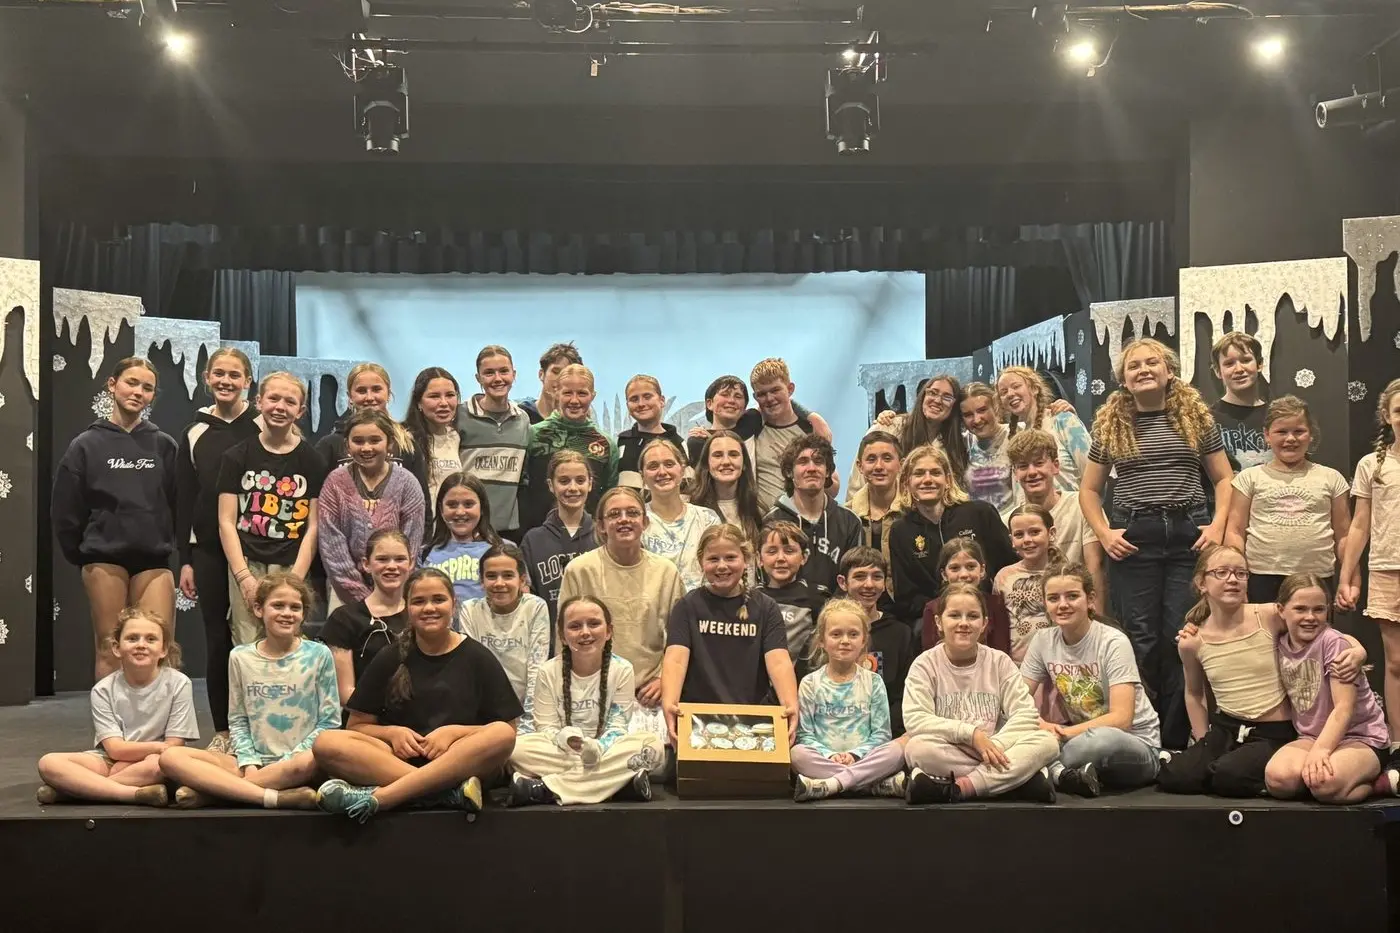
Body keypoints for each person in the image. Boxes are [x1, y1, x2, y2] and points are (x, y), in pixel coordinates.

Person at [1079, 337, 1232, 750]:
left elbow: (1224, 478)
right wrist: (1105, 532)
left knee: (1180, 638)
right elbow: (1089, 491)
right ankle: (1144, 739)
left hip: (1188, 536)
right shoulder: (1112, 425)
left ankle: (1178, 741)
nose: (1144, 369)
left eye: (1152, 363)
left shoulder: (1195, 420)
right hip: (1134, 538)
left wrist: (1217, 525)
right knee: (1140, 639)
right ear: (1123, 379)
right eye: (1134, 366)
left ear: (1168, 371)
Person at [312, 568, 520, 822]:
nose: (429, 608)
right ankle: (444, 794)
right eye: (419, 601)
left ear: (453, 604)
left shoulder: (478, 657)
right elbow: (357, 726)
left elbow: (507, 729)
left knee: (501, 734)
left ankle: (384, 798)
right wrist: (391, 733)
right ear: (407, 608)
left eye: (438, 600)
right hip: (398, 762)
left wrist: (454, 733)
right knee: (326, 743)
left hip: (459, 764)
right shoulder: (390, 656)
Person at [1161, 544, 1365, 796]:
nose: (1232, 579)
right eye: (1222, 572)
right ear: (1202, 583)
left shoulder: (1268, 615)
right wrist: (1203, 739)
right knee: (1176, 777)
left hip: (1271, 731)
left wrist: (1358, 650)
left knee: (1228, 777)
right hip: (1227, 727)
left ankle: (1257, 775)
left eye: (1241, 573)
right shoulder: (1192, 640)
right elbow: (1194, 694)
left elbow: (1326, 632)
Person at [159, 574, 336, 809]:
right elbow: (238, 718)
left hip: (297, 762)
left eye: (295, 607)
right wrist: (249, 760)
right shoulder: (240, 657)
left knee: (309, 761)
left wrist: (286, 761)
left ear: (303, 613)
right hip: (250, 763)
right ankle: (271, 796)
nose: (287, 613)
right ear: (259, 609)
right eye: (277, 605)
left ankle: (220, 791)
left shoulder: (319, 655)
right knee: (170, 758)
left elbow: (329, 722)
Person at [54, 356, 179, 681]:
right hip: (104, 559)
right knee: (111, 648)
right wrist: (84, 555)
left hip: (153, 560)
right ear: (112, 385)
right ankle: (110, 732)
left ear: (153, 396)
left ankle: (156, 731)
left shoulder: (164, 446)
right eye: (131, 383)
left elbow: (178, 505)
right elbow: (66, 510)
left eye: (147, 387)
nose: (138, 392)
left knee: (158, 647)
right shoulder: (85, 445)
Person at [175, 347, 261, 753]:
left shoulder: (265, 426)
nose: (227, 381)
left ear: (248, 380)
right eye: (219, 374)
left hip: (261, 549)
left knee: (258, 637)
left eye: (235, 375)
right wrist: (186, 560)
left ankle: (262, 724)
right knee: (216, 639)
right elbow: (184, 498)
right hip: (208, 549)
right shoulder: (193, 432)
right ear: (207, 378)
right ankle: (224, 730)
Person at [903, 583, 1059, 804]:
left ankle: (961, 788)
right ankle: (1014, 783)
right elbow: (916, 719)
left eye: (973, 616)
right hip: (952, 748)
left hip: (997, 746)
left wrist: (994, 746)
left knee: (1047, 741)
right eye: (954, 615)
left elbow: (1026, 714)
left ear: (985, 623)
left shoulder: (999, 661)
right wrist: (972, 735)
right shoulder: (924, 664)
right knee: (917, 750)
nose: (964, 623)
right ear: (938, 622)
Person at [505, 596, 665, 806]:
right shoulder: (548, 671)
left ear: (608, 631)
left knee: (652, 746)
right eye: (574, 626)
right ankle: (616, 785)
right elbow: (546, 727)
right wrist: (566, 739)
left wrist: (597, 747)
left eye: (594, 624)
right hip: (563, 752)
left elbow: (617, 726)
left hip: (606, 749)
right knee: (514, 748)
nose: (585, 632)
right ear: (562, 635)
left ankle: (544, 789)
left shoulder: (622, 669)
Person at [1021, 563, 1162, 796]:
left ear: (1090, 599)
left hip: (1133, 744)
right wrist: (1040, 725)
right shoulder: (1042, 640)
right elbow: (1015, 697)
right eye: (1053, 598)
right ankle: (1064, 773)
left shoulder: (1113, 641)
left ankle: (1048, 770)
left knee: (1099, 741)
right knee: (1006, 721)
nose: (1063, 605)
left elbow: (1122, 719)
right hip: (1076, 740)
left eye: (1072, 596)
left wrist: (1061, 734)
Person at [36, 607, 197, 806]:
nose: (141, 645)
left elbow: (173, 747)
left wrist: (146, 754)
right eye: (132, 638)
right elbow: (115, 750)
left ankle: (75, 791)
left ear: (163, 649)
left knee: (162, 764)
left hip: (155, 760)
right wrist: (131, 758)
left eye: (150, 639)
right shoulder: (103, 690)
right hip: (112, 761)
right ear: (116, 647)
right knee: (49, 763)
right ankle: (131, 793)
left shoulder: (179, 684)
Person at [660, 524, 799, 743]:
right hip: (697, 721)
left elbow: (779, 662)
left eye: (730, 557)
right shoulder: (687, 606)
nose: (722, 566)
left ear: (746, 560)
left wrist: (791, 704)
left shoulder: (765, 608)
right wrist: (669, 702)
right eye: (713, 559)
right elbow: (675, 660)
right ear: (701, 562)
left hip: (753, 720)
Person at [217, 370, 323, 651]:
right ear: (259, 402)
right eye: (273, 398)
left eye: (289, 402)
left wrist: (295, 578)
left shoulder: (312, 460)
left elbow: (314, 525)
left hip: (290, 563)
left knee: (287, 643)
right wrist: (243, 577)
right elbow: (226, 521)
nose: (280, 407)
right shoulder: (236, 456)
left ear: (300, 411)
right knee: (247, 642)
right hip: (247, 562)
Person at [1265, 574, 1389, 804]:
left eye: (1318, 610)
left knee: (1325, 785)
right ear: (1281, 610)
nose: (1310, 617)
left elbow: (1344, 708)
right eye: (1300, 609)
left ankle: (1379, 783)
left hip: (1359, 737)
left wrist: (1321, 751)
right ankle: (1328, 779)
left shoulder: (1334, 643)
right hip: (1312, 736)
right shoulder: (1279, 642)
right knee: (1278, 779)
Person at [559, 486, 685, 712]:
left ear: (645, 522)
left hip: (650, 693)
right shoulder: (579, 570)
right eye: (614, 514)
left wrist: (664, 678)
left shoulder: (666, 572)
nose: (623, 520)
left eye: (633, 513)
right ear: (600, 525)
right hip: (590, 691)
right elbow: (564, 639)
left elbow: (680, 639)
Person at [1225, 395, 1350, 604]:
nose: (1290, 439)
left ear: (1311, 435)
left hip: (1316, 578)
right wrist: (1238, 580)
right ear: (1267, 435)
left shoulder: (1331, 478)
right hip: (1261, 576)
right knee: (1264, 635)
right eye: (1281, 432)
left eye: (1299, 431)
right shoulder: (1249, 478)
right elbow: (1234, 531)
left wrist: (1349, 581)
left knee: (1313, 635)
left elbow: (1345, 536)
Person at [791, 598, 908, 801]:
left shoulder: (874, 682)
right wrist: (829, 755)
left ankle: (832, 784)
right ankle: (872, 785)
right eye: (836, 634)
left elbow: (881, 734)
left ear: (863, 640)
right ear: (821, 640)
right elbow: (805, 735)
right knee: (797, 754)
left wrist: (856, 755)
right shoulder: (810, 683)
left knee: (896, 751)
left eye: (853, 634)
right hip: (825, 759)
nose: (845, 640)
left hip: (864, 758)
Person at [888, 443, 1016, 624]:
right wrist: (945, 609)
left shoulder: (980, 513)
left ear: (948, 480)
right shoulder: (901, 531)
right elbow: (906, 598)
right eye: (919, 474)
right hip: (935, 617)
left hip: (986, 612)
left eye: (935, 472)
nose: (927, 480)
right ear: (907, 482)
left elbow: (1009, 566)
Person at [1339, 377, 1400, 743]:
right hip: (1386, 569)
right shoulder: (1372, 465)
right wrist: (1347, 576)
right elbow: (1360, 526)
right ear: (1388, 416)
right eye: (1399, 411)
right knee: (1395, 663)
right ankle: (1397, 742)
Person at [318, 408, 426, 611]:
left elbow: (412, 545)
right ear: (347, 445)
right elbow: (331, 545)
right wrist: (363, 599)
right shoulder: (335, 483)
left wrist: (389, 592)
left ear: (390, 443)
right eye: (358, 441)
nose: (366, 448)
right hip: (343, 593)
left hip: (397, 591)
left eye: (375, 440)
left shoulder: (407, 484)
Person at [1004, 429, 1106, 613]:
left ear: (1055, 466)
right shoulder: (1008, 521)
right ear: (1015, 473)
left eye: (1039, 463)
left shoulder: (1082, 506)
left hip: (1076, 611)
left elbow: (1095, 567)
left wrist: (1096, 619)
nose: (1032, 472)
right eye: (1023, 466)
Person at [454, 543, 550, 732]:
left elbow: (536, 668)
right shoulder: (470, 610)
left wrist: (526, 725)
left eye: (508, 575)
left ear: (522, 580)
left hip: (527, 713)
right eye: (491, 576)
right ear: (481, 580)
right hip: (484, 716)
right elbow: (471, 669)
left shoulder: (535, 607)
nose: (499, 583)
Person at [762, 434, 863, 599]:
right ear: (789, 472)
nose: (811, 468)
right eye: (802, 462)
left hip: (837, 617)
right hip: (789, 614)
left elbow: (854, 580)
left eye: (818, 461)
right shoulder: (772, 521)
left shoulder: (850, 522)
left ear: (828, 471)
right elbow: (769, 582)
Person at [521, 363, 619, 530]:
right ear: (556, 393)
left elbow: (610, 497)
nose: (574, 400)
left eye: (582, 393)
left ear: (593, 396)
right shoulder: (533, 435)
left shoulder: (605, 443)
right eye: (567, 393)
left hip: (589, 539)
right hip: (537, 536)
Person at [321, 529, 412, 706]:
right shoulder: (343, 619)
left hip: (417, 718)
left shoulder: (421, 615)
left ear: (411, 563)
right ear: (366, 564)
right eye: (382, 559)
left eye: (400, 559)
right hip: (365, 720)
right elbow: (345, 694)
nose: (392, 566)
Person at [314, 362, 427, 490]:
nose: (369, 397)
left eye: (376, 389)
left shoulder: (406, 444)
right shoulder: (330, 445)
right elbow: (317, 496)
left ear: (388, 394)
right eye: (361, 391)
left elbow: (422, 500)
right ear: (350, 397)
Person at [837, 547, 914, 736]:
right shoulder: (829, 631)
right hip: (833, 728)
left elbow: (905, 695)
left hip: (885, 734)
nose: (869, 585)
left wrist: (882, 731)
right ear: (843, 582)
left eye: (877, 577)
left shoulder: (901, 633)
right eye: (860, 576)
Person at [458, 345, 531, 540]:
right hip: (467, 528)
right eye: (489, 373)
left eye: (504, 371)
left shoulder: (522, 420)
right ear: (478, 378)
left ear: (514, 375)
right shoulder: (459, 416)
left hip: (507, 531)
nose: (498, 379)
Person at [521, 450, 597, 628]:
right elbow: (527, 602)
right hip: (548, 637)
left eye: (580, 480)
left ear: (590, 483)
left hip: (595, 637)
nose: (572, 488)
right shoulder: (533, 540)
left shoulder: (602, 536)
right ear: (551, 485)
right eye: (564, 481)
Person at [683, 374, 826, 468]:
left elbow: (780, 400)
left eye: (738, 396)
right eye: (725, 395)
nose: (731, 401)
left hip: (750, 510)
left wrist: (812, 417)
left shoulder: (752, 421)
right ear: (709, 403)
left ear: (745, 407)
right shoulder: (698, 441)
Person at [749, 358, 836, 511]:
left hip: (804, 525)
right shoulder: (751, 429)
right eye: (762, 394)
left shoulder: (811, 431)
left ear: (790, 389)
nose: (769, 398)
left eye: (775, 390)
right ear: (755, 397)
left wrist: (808, 471)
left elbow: (834, 488)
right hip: (763, 527)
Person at [640, 437, 721, 591]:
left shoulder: (707, 519)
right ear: (642, 475)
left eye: (669, 464)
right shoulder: (635, 522)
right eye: (653, 466)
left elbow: (718, 570)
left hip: (701, 609)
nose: (662, 472)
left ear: (682, 469)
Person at [996, 366, 1091, 490]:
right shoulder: (1016, 436)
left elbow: (1094, 478)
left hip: (1072, 507)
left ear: (1034, 388)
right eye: (1003, 392)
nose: (1010, 394)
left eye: (1016, 386)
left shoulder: (1063, 421)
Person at [757, 521, 825, 681]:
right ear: (759, 558)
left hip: (801, 686)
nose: (781, 558)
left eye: (789, 551)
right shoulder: (750, 599)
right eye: (772, 551)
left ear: (804, 557)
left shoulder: (817, 598)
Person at [421, 471, 503, 605]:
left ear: (482, 507)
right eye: (452, 505)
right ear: (441, 509)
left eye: (469, 504)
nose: (460, 512)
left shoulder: (502, 549)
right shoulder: (424, 554)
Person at [996, 504, 1063, 664]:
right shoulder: (1004, 576)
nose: (1027, 540)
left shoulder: (1067, 575)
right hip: (1017, 665)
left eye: (1034, 532)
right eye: (1019, 534)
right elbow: (999, 625)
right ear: (1012, 540)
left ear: (1051, 533)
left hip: (1061, 663)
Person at [919, 539, 1011, 654]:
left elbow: (1002, 652)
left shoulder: (995, 604)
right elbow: (930, 656)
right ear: (944, 574)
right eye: (955, 568)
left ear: (982, 570)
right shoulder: (933, 608)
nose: (963, 575)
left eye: (971, 566)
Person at [690, 430, 764, 551]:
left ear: (744, 463)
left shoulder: (757, 507)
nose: (726, 462)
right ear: (707, 464)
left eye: (733, 454)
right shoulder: (691, 508)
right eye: (718, 455)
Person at [846, 431, 907, 575]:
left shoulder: (915, 511)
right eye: (871, 459)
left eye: (887, 458)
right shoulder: (847, 517)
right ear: (860, 466)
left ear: (901, 464)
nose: (879, 466)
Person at [1209, 332, 1271, 473]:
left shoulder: (1278, 417)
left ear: (1259, 364)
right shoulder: (1207, 419)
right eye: (1229, 363)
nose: (1239, 369)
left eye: (1245, 360)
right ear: (1218, 371)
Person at [403, 367, 462, 513]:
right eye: (434, 396)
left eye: (450, 395)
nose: (443, 403)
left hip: (451, 527)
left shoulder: (456, 437)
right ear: (419, 403)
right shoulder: (404, 439)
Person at [617, 374, 688, 490]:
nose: (641, 404)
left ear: (662, 400)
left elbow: (687, 487)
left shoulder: (679, 443)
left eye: (647, 396)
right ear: (627, 406)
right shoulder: (622, 442)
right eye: (634, 399)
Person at [899, 376, 970, 491]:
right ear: (923, 396)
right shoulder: (892, 428)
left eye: (947, 397)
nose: (937, 401)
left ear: (954, 406)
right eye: (933, 393)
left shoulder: (961, 444)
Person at [960, 382, 1017, 512]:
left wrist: (1058, 409)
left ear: (995, 407)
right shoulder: (963, 443)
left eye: (982, 410)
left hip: (1015, 526)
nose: (977, 419)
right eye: (968, 415)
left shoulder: (1018, 432)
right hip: (979, 528)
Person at [521, 341, 583, 424]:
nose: (560, 379)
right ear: (541, 374)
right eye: (556, 372)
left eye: (567, 374)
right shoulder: (521, 416)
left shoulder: (577, 424)